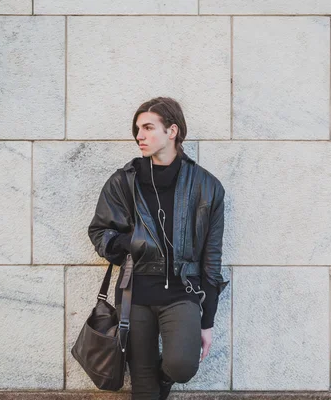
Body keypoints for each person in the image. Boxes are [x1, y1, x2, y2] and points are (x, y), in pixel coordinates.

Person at [88, 96, 229, 400]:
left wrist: (207, 322)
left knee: (181, 366)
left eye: (148, 127)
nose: (139, 135)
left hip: (183, 294)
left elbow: (211, 260)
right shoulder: (123, 182)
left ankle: (163, 377)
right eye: (137, 129)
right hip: (134, 294)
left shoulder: (208, 187)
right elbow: (100, 232)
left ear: (172, 131)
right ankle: (151, 381)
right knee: (142, 384)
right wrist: (129, 242)